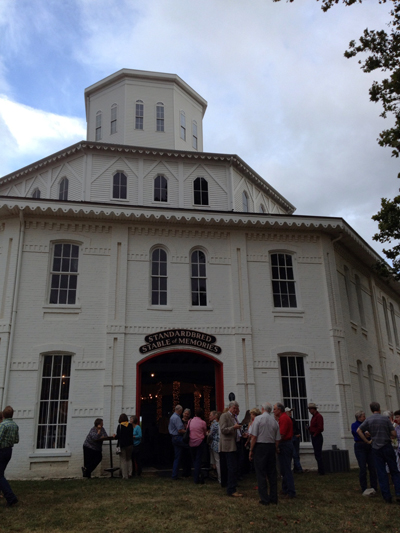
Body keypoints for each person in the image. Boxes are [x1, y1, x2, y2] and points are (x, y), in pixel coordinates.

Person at [357, 402, 400, 503]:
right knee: (394, 470)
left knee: (381, 472)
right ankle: (398, 492)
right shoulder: (385, 419)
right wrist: (390, 435)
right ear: (379, 409)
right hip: (387, 446)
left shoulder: (368, 420)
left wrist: (367, 441)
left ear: (371, 410)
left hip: (376, 448)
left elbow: (359, 431)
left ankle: (387, 496)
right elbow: (393, 433)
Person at [249, 402, 280, 506]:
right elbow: (277, 439)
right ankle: (273, 497)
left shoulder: (258, 419)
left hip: (261, 446)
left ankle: (264, 498)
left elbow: (254, 436)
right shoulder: (274, 421)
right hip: (271, 446)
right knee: (272, 473)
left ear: (262, 409)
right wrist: (275, 449)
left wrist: (251, 450)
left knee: (261, 472)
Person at [219, 400, 243, 497]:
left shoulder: (234, 417)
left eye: (236, 408)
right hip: (228, 446)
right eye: (234, 408)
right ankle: (231, 489)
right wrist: (234, 427)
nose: (235, 410)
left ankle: (231, 484)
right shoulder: (224, 416)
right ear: (230, 407)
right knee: (231, 467)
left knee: (234, 466)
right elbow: (223, 430)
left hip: (235, 444)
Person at [351, 410, 377, 495]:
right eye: (363, 416)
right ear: (359, 417)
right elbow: (358, 433)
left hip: (369, 446)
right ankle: (364, 487)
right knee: (362, 468)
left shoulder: (367, 424)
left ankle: (374, 486)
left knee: (372, 467)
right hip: (360, 446)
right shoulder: (354, 425)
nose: (365, 418)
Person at [273, 402, 296, 499]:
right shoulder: (283, 418)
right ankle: (285, 488)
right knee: (283, 469)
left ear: (279, 410)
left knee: (286, 469)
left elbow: (281, 435)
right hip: (286, 444)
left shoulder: (283, 419)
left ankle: (291, 492)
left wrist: (276, 446)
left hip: (285, 444)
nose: (273, 411)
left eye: (274, 409)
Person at [0, 406, 19, 506]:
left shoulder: (3, 425)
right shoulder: (15, 425)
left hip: (1, 450)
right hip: (9, 451)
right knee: (1, 472)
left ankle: (11, 497)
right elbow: (16, 440)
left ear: (3, 415)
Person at [189, 408, 208, 484]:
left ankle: (197, 475)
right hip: (199, 442)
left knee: (194, 460)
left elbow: (188, 429)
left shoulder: (190, 421)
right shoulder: (203, 422)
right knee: (198, 460)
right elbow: (204, 432)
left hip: (191, 442)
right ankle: (197, 477)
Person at [168, 404, 187, 480]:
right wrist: (188, 432)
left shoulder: (172, 417)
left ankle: (174, 475)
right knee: (191, 446)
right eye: (181, 411)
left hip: (174, 437)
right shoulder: (177, 418)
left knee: (177, 457)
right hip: (178, 437)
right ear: (179, 410)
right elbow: (180, 430)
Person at [307, 402, 325, 475]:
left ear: (313, 409)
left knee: (318, 453)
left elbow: (320, 428)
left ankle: (321, 471)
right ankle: (320, 470)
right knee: (317, 453)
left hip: (317, 436)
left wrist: (315, 434)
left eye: (310, 409)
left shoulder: (318, 416)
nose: (309, 411)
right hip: (315, 435)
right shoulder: (314, 417)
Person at [285, 407, 303, 473]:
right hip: (291, 437)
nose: (290, 413)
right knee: (294, 454)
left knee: (296, 454)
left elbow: (296, 428)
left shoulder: (293, 420)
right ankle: (299, 468)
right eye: (289, 412)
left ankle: (296, 468)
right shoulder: (286, 420)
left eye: (290, 412)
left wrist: (298, 434)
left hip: (295, 437)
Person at [116, 413, 133, 479]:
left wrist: (115, 436)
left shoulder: (119, 426)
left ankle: (125, 476)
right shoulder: (130, 425)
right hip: (130, 444)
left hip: (122, 445)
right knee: (129, 459)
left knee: (123, 460)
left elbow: (118, 436)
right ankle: (130, 473)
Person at [209, 411, 221, 483]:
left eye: (210, 415)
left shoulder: (214, 424)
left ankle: (220, 478)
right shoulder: (220, 423)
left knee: (217, 461)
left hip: (215, 444)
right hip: (221, 444)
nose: (209, 416)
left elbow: (211, 434)